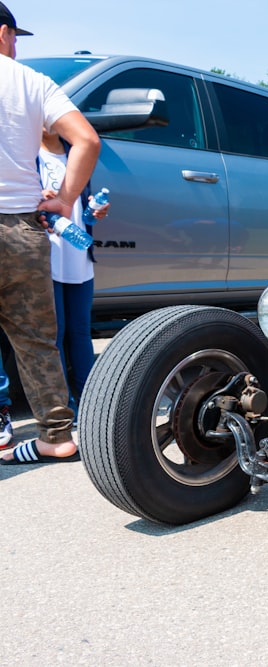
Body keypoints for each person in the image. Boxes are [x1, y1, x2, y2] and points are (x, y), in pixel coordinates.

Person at [0, 2, 101, 464]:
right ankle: (57, 435)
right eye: (16, 37)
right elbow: (87, 140)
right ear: (4, 34)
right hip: (21, 229)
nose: (16, 47)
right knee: (37, 338)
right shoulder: (32, 83)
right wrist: (63, 199)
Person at [39, 130, 109, 414]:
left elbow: (83, 207)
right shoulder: (29, 155)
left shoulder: (75, 151)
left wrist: (95, 212)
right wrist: (38, 196)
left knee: (80, 332)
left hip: (78, 255)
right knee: (54, 334)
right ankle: (62, 405)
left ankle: (89, 403)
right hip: (48, 257)